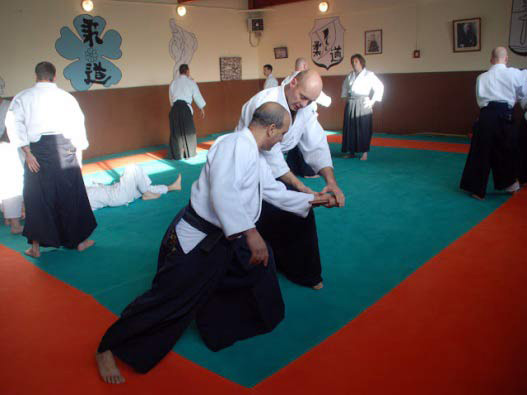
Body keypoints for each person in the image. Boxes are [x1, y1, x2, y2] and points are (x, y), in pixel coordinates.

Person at [95, 102, 333, 384]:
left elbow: (272, 191)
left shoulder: (255, 155)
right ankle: (108, 346)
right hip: (197, 239)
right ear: (270, 129)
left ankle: (225, 326)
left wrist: (314, 199)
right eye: (282, 134)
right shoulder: (234, 145)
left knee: (257, 267)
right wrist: (251, 233)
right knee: (167, 298)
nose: (282, 140)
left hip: (226, 238)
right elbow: (222, 192)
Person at [236, 69, 345, 290]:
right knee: (267, 208)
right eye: (303, 96)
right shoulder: (265, 103)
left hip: (271, 167)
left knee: (297, 209)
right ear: (293, 82)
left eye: (311, 100)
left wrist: (330, 182)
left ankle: (303, 271)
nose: (304, 104)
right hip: (250, 164)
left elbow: (316, 142)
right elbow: (268, 154)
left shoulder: (305, 106)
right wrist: (302, 187)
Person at [5, 61, 96, 257]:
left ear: (36, 76)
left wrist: (27, 152)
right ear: (54, 77)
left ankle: (35, 248)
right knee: (72, 195)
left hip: (37, 152)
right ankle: (79, 242)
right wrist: (77, 149)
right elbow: (78, 124)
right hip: (65, 148)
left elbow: (13, 124)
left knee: (36, 197)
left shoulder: (23, 97)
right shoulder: (66, 97)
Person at [460, 47, 527, 200]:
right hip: (505, 116)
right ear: (507, 59)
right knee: (506, 151)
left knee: (481, 152)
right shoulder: (516, 74)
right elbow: (523, 93)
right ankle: (510, 185)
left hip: (486, 115)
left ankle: (477, 190)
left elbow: (480, 100)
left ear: (491, 59)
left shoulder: (481, 77)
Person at [282, 57, 332, 178]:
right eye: (303, 97)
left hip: (289, 119)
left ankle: (291, 169)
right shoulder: (308, 81)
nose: (305, 101)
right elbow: (326, 101)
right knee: (308, 143)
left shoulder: (286, 80)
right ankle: (307, 172)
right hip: (300, 117)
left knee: (295, 145)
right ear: (305, 67)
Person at [341, 54, 384, 160]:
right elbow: (344, 88)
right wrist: (345, 99)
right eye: (352, 62)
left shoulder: (369, 75)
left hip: (363, 102)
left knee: (363, 128)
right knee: (350, 128)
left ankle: (365, 152)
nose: (353, 64)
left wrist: (372, 101)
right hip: (351, 103)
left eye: (356, 61)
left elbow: (380, 87)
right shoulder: (350, 75)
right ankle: (351, 152)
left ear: (361, 62)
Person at [86, 164, 182, 210]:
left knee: (140, 186)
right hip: (117, 195)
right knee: (133, 168)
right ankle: (146, 193)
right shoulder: (79, 200)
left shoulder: (80, 193)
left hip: (116, 192)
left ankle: (171, 187)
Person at [168, 63, 206, 160]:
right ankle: (189, 154)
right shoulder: (191, 82)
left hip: (175, 108)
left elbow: (171, 97)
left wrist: (173, 108)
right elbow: (196, 95)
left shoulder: (173, 82)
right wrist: (201, 108)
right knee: (189, 131)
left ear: (180, 71)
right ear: (188, 71)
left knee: (176, 132)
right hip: (185, 108)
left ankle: (176, 155)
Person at [0, 93, 24, 234]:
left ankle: (10, 219)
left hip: (10, 148)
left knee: (12, 185)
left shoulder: (9, 106)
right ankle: (13, 223)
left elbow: (12, 131)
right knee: (10, 187)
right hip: (7, 151)